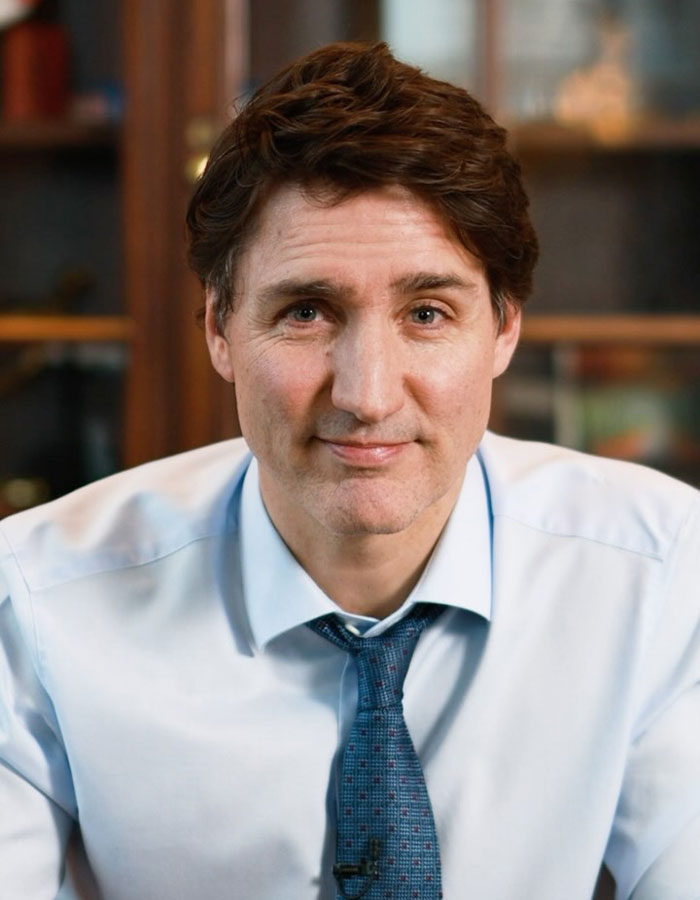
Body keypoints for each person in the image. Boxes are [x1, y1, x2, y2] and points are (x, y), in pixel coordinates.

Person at [1, 41, 698, 900]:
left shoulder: (665, 573)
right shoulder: (31, 602)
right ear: (219, 328)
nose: (367, 395)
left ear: (505, 327)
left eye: (428, 312)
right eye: (305, 311)